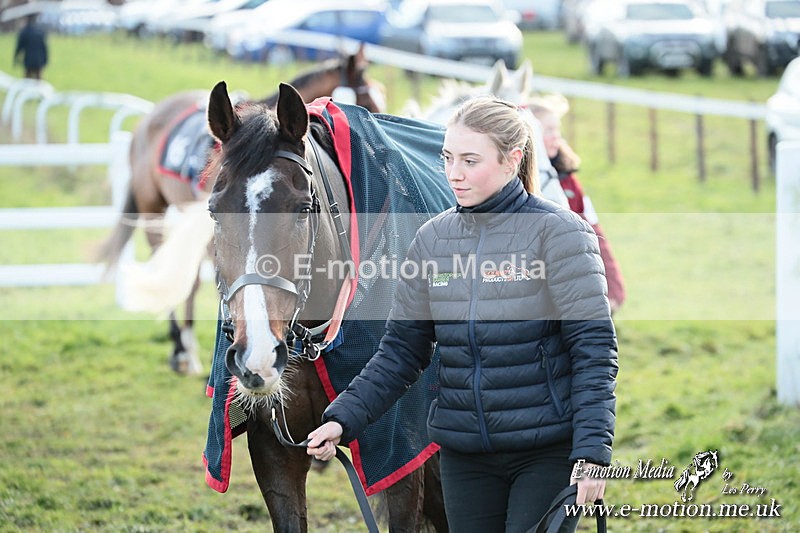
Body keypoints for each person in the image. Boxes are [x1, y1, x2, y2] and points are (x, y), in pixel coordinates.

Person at [306, 96, 618, 532]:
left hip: (548, 452)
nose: (454, 173)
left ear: (512, 161)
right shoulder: (432, 239)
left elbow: (594, 352)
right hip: (464, 455)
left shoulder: (561, 233)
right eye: (448, 157)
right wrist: (343, 417)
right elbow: (400, 352)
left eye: (471, 160)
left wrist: (592, 453)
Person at [528, 93, 627, 314]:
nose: (557, 138)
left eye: (558, 130)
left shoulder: (569, 181)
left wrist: (613, 289)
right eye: (548, 130)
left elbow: (593, 231)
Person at [14, 14, 48, 80]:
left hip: (28, 60)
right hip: (39, 60)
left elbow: (19, 46)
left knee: (27, 80)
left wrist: (15, 57)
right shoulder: (40, 31)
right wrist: (45, 59)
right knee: (38, 80)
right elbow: (44, 47)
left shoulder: (24, 31)